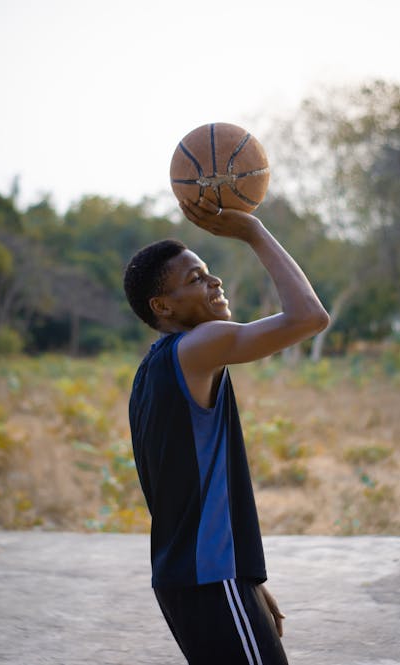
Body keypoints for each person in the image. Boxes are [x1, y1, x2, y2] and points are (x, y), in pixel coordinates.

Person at [123, 197, 329, 665]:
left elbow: (187, 493)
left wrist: (249, 584)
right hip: (210, 581)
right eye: (195, 279)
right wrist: (253, 232)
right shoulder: (200, 346)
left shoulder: (151, 369)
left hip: (197, 581)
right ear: (163, 306)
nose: (213, 280)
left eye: (208, 270)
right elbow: (310, 318)